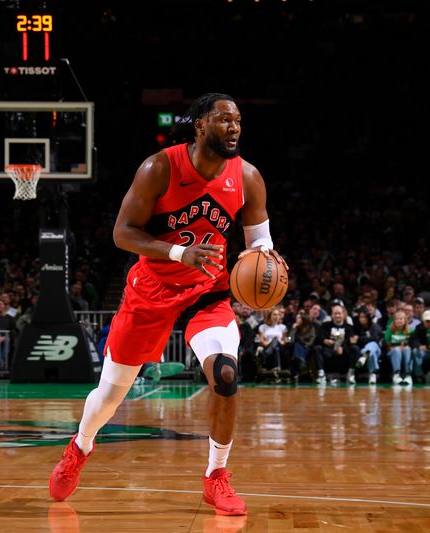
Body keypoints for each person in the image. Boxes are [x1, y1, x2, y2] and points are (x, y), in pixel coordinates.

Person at [48, 93, 286, 516]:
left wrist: (267, 259)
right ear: (199, 125)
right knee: (109, 396)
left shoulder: (248, 177)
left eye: (238, 121)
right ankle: (80, 447)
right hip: (151, 290)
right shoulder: (159, 168)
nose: (234, 128)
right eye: (224, 120)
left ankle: (216, 477)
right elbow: (123, 233)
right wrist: (177, 253)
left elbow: (259, 241)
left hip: (207, 294)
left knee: (226, 376)